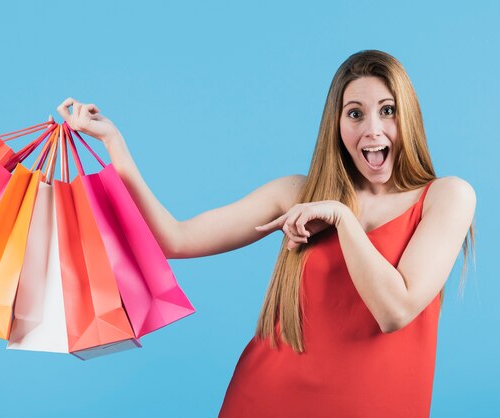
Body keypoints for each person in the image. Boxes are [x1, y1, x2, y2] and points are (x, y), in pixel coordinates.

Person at [56, 49, 476, 418]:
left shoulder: (446, 197)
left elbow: (395, 311)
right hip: (266, 398)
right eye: (355, 113)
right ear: (337, 124)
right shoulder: (297, 192)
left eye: (388, 110)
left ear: (410, 115)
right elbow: (175, 239)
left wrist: (342, 219)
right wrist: (115, 145)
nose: (372, 129)